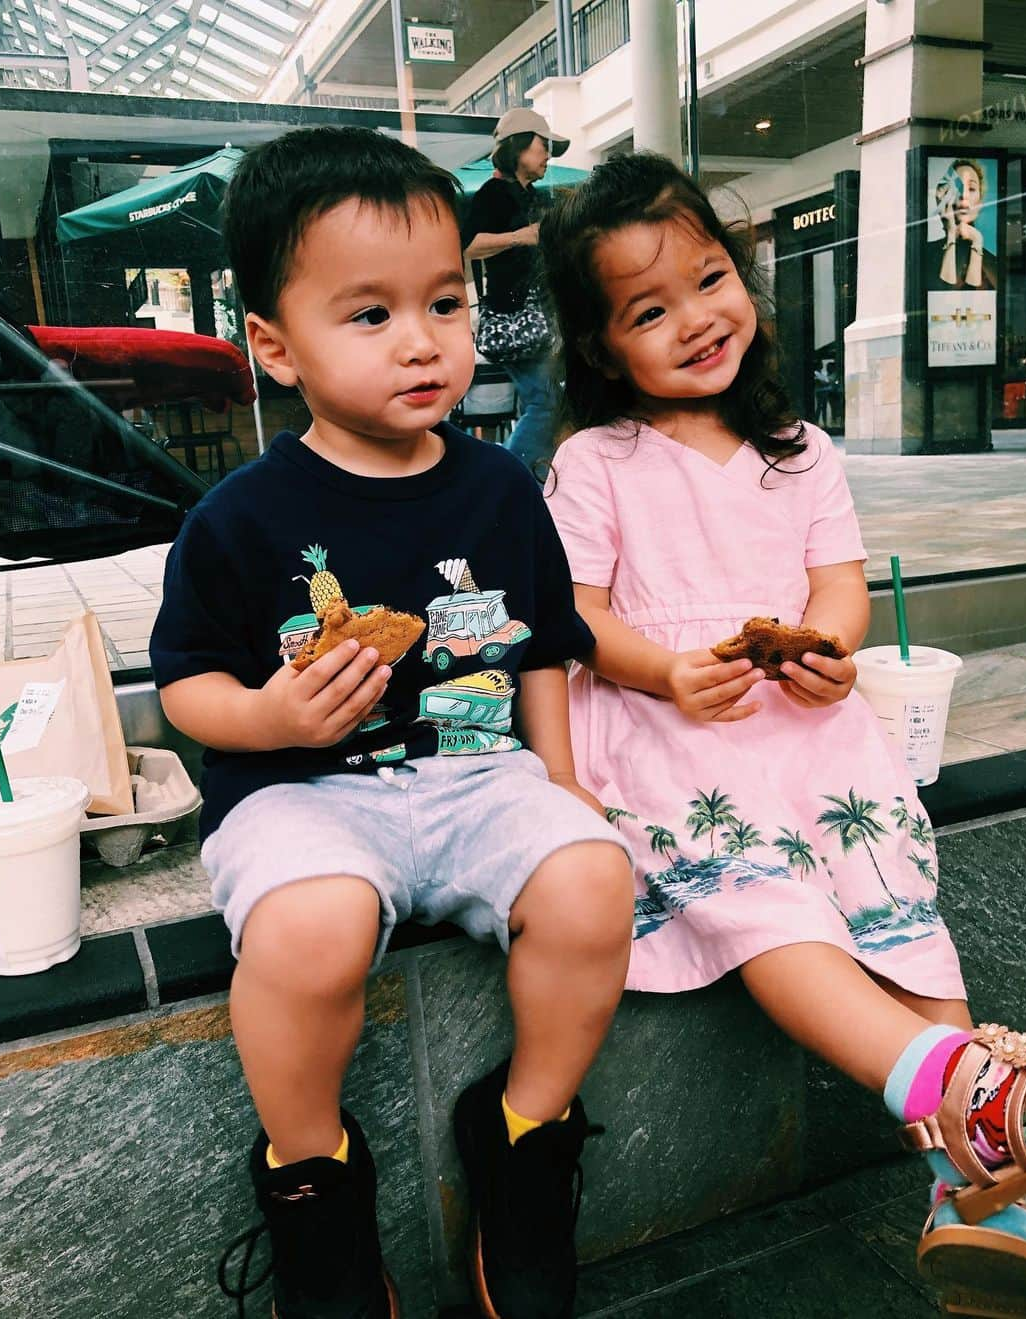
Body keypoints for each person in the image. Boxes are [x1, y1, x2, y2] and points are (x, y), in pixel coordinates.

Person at [540, 151, 1026, 1319]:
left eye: (711, 278)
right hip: (674, 735)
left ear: (746, 276)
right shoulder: (597, 460)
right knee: (767, 904)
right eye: (648, 309)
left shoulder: (803, 450)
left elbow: (838, 587)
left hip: (807, 736)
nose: (695, 319)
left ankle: (961, 1175)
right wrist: (665, 670)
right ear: (598, 346)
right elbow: (575, 615)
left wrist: (828, 650)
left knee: (902, 913)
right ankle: (974, 1100)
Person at [149, 125, 634, 1319]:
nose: (423, 341)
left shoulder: (501, 487)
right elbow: (184, 685)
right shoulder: (240, 517)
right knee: (310, 932)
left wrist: (563, 781)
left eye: (446, 302)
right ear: (274, 343)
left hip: (476, 776)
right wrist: (262, 716)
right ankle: (313, 1181)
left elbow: (544, 650)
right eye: (368, 314)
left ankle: (526, 1134)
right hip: (301, 793)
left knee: (594, 879)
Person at [462, 108, 569, 480]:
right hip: (516, 316)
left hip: (537, 314)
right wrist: (522, 236)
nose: (547, 156)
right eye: (543, 146)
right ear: (519, 146)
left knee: (546, 402)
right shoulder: (494, 193)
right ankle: (509, 480)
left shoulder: (529, 196)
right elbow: (468, 245)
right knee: (545, 404)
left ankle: (536, 481)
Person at [928, 158, 997, 292]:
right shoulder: (926, 253)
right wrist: (950, 232)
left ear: (980, 202)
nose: (964, 195)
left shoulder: (993, 263)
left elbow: (974, 297)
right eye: (957, 187)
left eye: (971, 189)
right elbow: (944, 293)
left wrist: (977, 240)